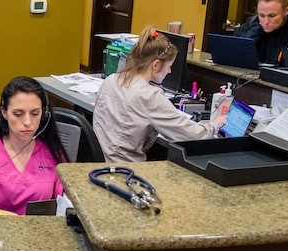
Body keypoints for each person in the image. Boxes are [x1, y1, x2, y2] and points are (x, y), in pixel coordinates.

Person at [93, 26, 220, 162]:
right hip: (126, 171)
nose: (170, 71)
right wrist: (213, 125)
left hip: (98, 167)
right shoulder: (150, 97)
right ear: (155, 65)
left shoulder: (111, 79)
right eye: (169, 66)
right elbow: (191, 135)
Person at [0, 76, 68, 215]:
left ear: (44, 114)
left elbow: (65, 203)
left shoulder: (52, 151)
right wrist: (15, 221)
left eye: (35, 113)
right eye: (18, 114)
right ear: (4, 113)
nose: (27, 122)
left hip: (39, 231)